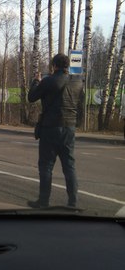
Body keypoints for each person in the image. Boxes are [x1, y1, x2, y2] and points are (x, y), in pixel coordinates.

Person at [27, 53, 84, 209]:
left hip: (50, 128)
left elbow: (31, 97)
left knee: (46, 166)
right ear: (67, 66)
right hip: (69, 128)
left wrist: (36, 81)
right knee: (69, 166)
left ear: (54, 66)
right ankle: (73, 202)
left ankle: (43, 201)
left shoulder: (48, 81)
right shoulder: (78, 82)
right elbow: (81, 105)